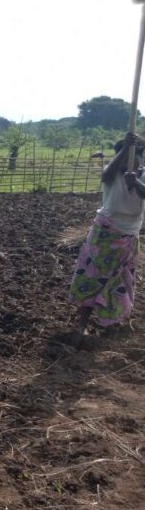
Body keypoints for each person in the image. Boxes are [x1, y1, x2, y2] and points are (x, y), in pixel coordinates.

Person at [69, 132, 145, 348]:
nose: (133, 160)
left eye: (136, 156)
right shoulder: (112, 174)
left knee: (119, 282)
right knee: (91, 277)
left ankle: (110, 324)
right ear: (119, 156)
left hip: (129, 236)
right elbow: (105, 175)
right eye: (125, 156)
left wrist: (137, 183)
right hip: (105, 233)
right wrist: (124, 150)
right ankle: (81, 325)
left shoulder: (142, 175)